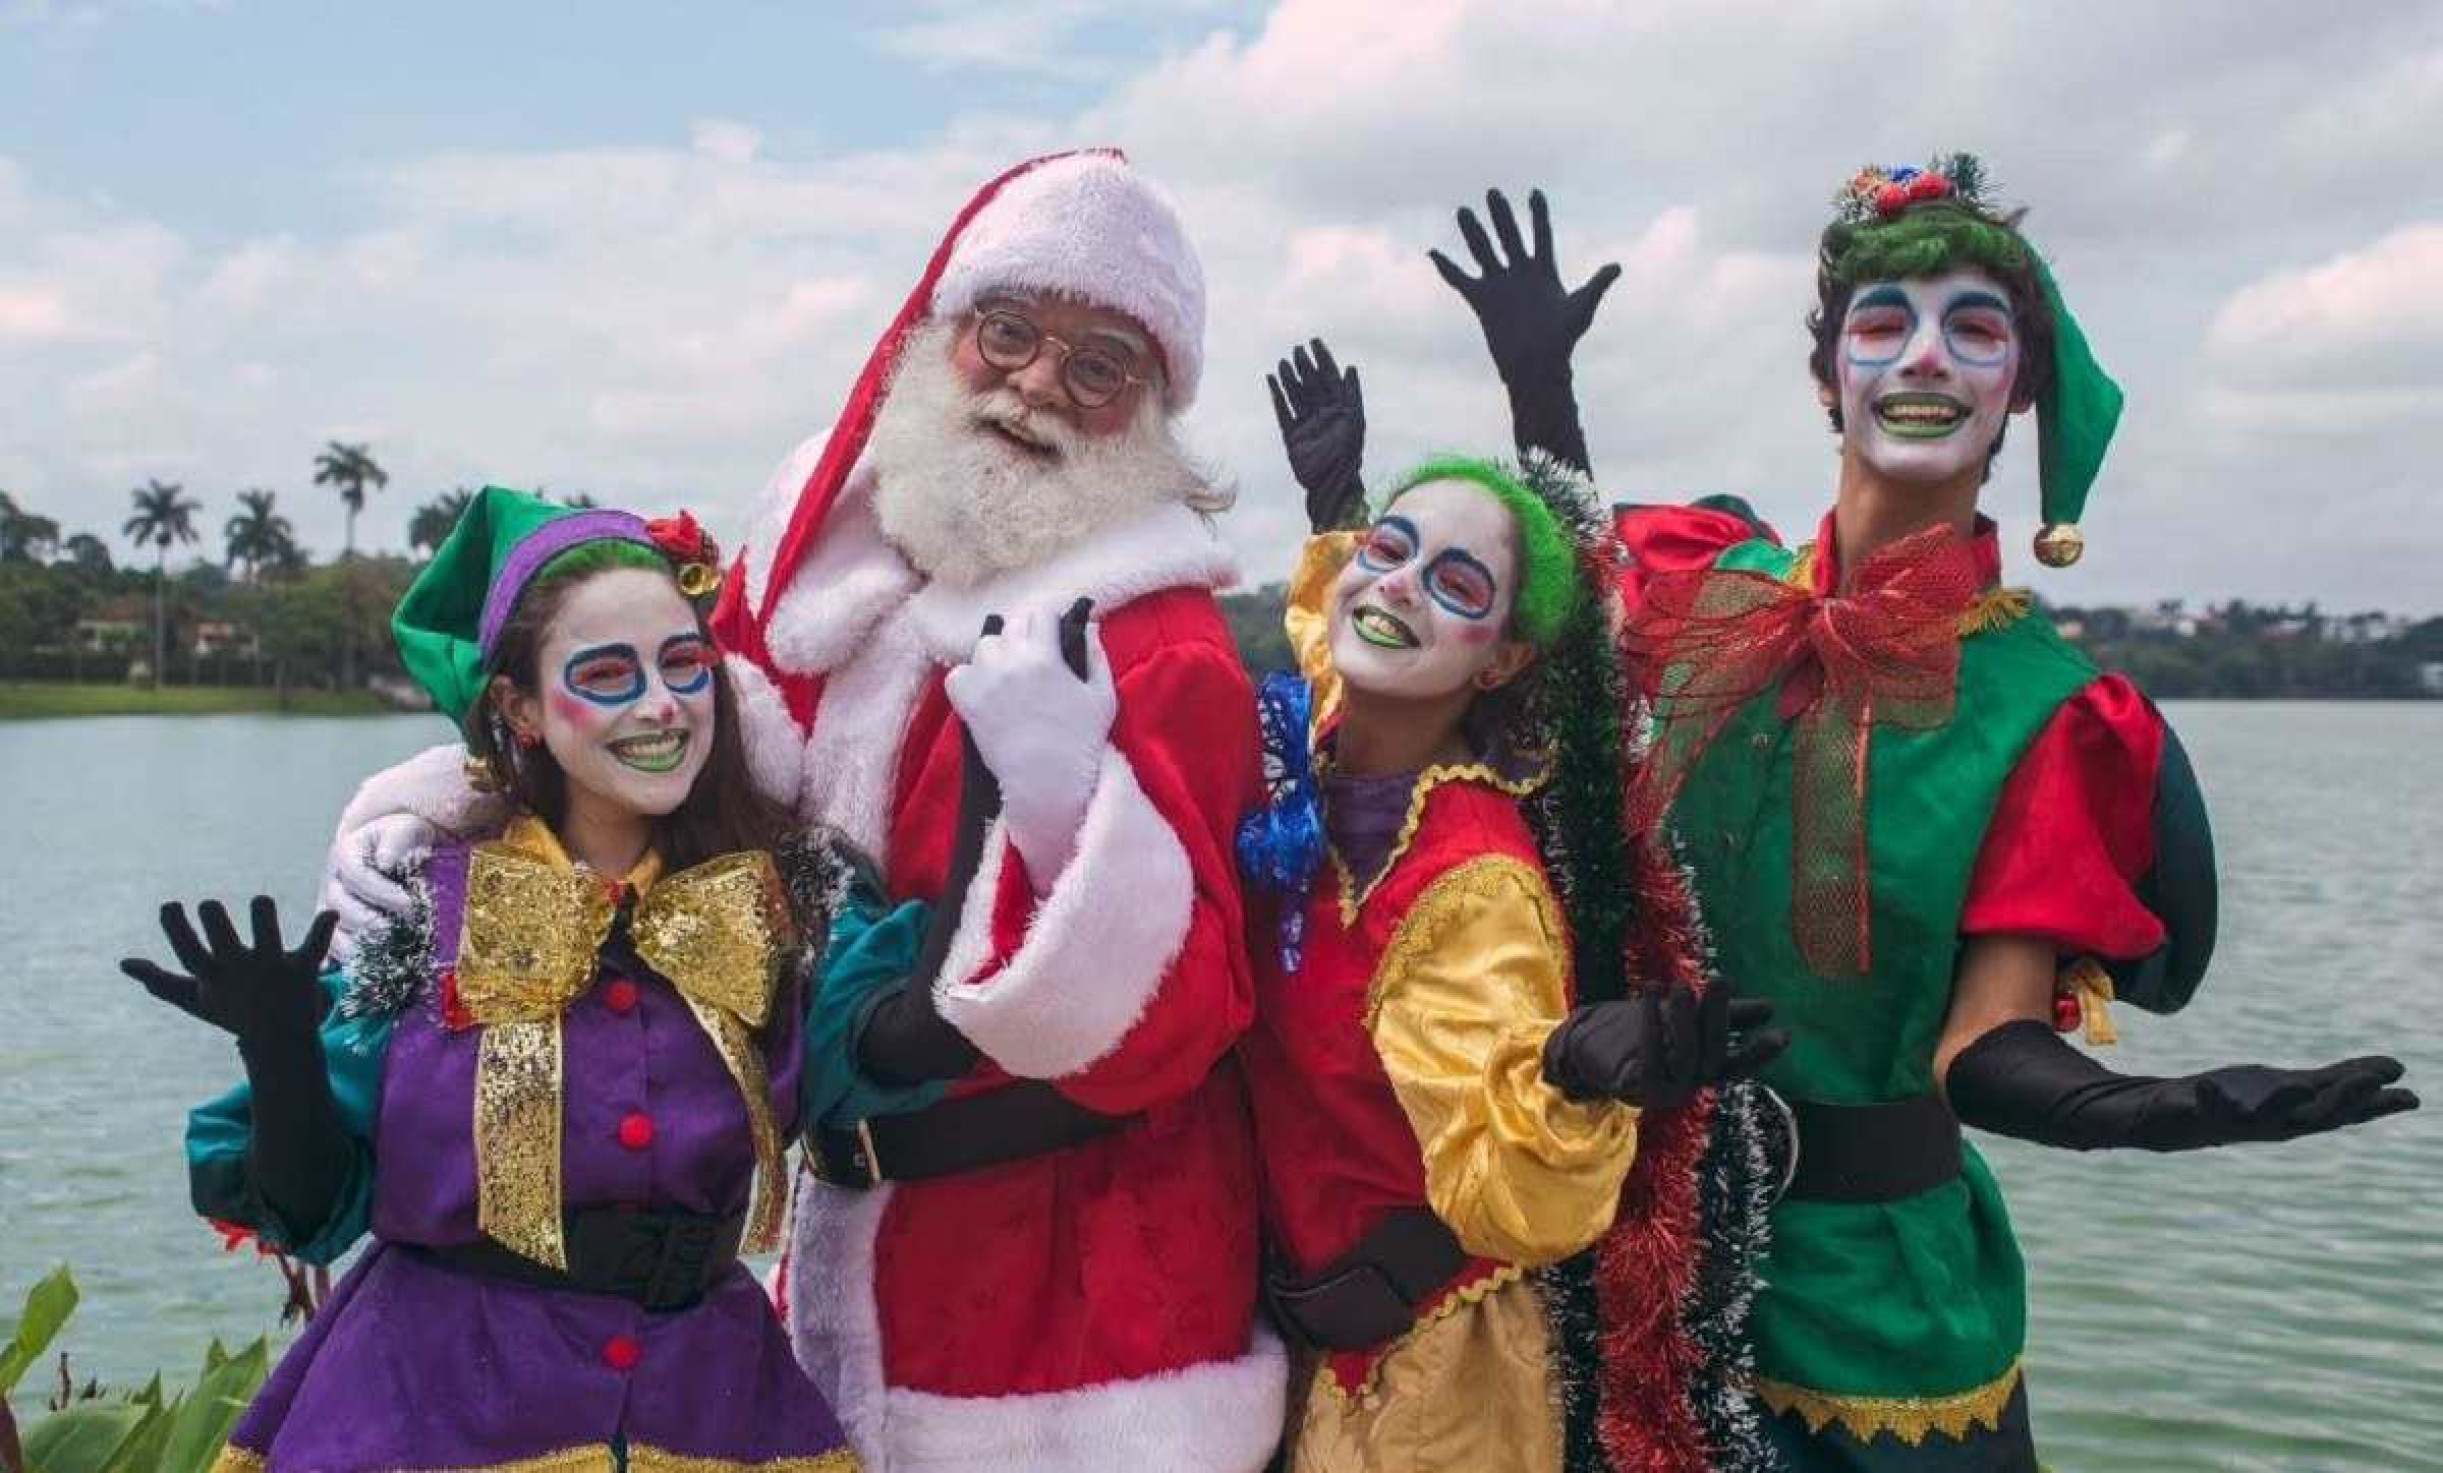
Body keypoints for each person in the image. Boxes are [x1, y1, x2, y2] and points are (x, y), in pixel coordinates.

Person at [1435, 160, 2417, 1469]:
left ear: (2015, 386)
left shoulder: (2043, 711)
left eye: (1973, 329)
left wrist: (2137, 1109)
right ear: (1826, 373)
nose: (1922, 358)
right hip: (1630, 1243)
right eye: (1881, 322)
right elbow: (1552, 636)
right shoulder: (1700, 589)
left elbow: (1982, 1043)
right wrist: (1538, 389)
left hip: (1878, 1307)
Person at [319, 151, 1278, 1473]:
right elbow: (665, 760)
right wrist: (429, 809)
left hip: (1074, 1271)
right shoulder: (825, 575)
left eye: (1100, 361)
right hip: (843, 1224)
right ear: (940, 338)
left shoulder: (1164, 646)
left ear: (1149, 410)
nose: (1039, 381)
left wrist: (1066, 806)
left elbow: (1186, 1015)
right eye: (1009, 332)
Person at [122, 487, 866, 1472]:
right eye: (605, 674)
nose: (658, 705)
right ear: (517, 705)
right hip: (432, 1416)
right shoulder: (419, 911)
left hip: (713, 1410)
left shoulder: (773, 909)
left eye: (683, 665)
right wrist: (280, 1052)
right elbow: (315, 1209)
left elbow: (891, 1068)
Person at [1234, 446, 1785, 1473]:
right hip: (1298, 1331)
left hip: (1433, 1378)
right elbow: (1331, 627)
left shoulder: (1470, 882)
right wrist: (1335, 502)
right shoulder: (1319, 758)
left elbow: (1511, 1202)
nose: (1396, 583)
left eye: (1455, 584)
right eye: (1388, 549)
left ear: (1501, 661)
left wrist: (1569, 1079)